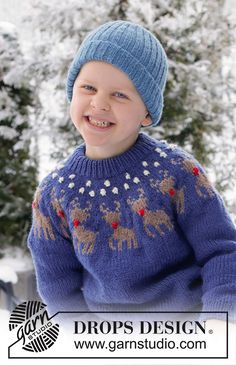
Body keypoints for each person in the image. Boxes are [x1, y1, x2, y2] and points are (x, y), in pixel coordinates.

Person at [27, 20, 236, 322]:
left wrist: (219, 322)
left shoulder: (176, 173)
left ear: (147, 113)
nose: (99, 103)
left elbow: (222, 251)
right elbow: (58, 287)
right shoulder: (54, 194)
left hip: (191, 332)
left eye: (120, 95)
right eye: (88, 87)